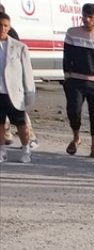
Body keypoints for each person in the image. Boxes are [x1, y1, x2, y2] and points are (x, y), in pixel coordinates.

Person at [63, 2, 94, 158]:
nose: (86, 19)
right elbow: (67, 55)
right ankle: (76, 138)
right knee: (74, 111)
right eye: (84, 16)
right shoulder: (72, 33)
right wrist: (67, 74)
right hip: (75, 80)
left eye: (90, 16)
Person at [0, 11, 34, 164]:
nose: (2, 28)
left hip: (14, 92)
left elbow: (27, 73)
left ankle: (26, 148)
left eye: (5, 26)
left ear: (9, 27)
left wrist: (29, 93)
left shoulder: (19, 47)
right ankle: (2, 151)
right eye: (0, 25)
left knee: (21, 123)